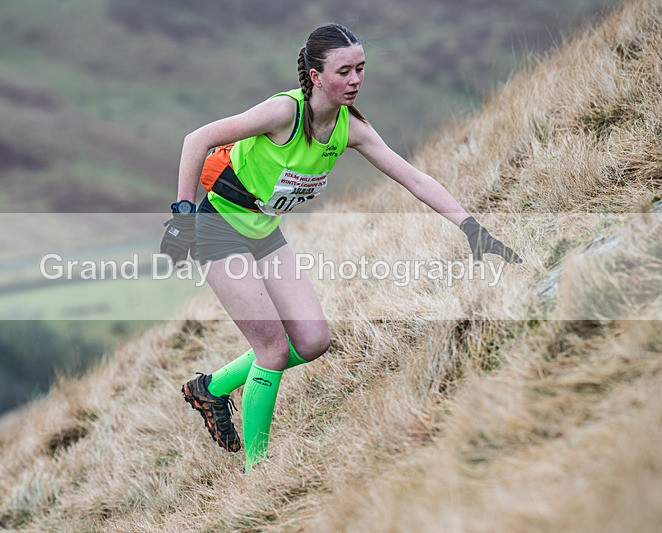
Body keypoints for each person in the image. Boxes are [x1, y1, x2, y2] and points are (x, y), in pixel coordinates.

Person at [160, 23, 521, 474]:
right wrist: (182, 215)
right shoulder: (282, 113)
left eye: (361, 69)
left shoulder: (351, 130)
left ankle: (213, 388)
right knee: (271, 349)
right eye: (344, 71)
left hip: (264, 232)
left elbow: (414, 178)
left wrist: (471, 228)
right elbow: (196, 139)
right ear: (314, 76)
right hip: (215, 229)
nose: (355, 80)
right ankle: (259, 470)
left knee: (313, 340)